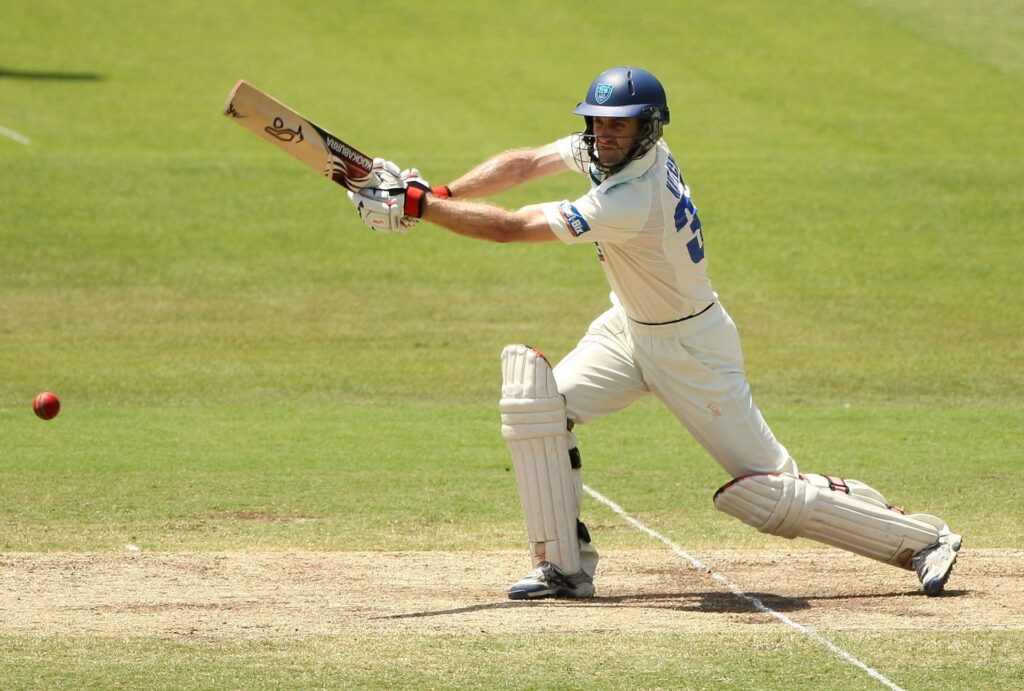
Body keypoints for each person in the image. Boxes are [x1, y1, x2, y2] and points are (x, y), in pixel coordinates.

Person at [347, 66, 962, 600]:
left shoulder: (632, 197)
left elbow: (512, 227)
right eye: (597, 124)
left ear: (649, 128)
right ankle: (564, 569)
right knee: (538, 409)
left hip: (692, 348)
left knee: (771, 495)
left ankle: (924, 538)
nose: (604, 135)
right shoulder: (613, 150)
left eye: (620, 126)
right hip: (628, 330)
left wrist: (418, 207)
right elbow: (528, 163)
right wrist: (439, 193)